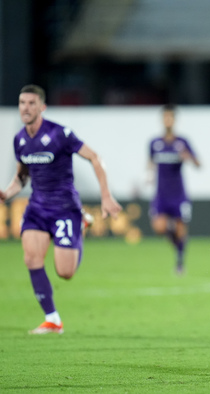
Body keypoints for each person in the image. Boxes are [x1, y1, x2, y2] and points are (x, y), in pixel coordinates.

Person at [0, 84, 122, 334]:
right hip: (36, 208)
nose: (26, 107)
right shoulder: (20, 139)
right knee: (31, 258)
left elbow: (94, 157)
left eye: (32, 103)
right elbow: (22, 177)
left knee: (65, 272)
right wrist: (5, 193)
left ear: (42, 107)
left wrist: (106, 196)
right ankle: (53, 319)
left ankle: (80, 224)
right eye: (23, 103)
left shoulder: (60, 134)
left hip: (65, 208)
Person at [148, 105, 200, 274]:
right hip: (161, 193)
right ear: (162, 120)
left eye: (170, 117)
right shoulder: (154, 143)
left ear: (174, 120)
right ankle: (177, 244)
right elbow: (150, 163)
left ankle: (180, 261)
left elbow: (198, 164)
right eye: (165, 117)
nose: (168, 120)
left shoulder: (182, 142)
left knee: (180, 228)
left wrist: (188, 157)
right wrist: (148, 175)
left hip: (178, 193)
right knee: (159, 228)